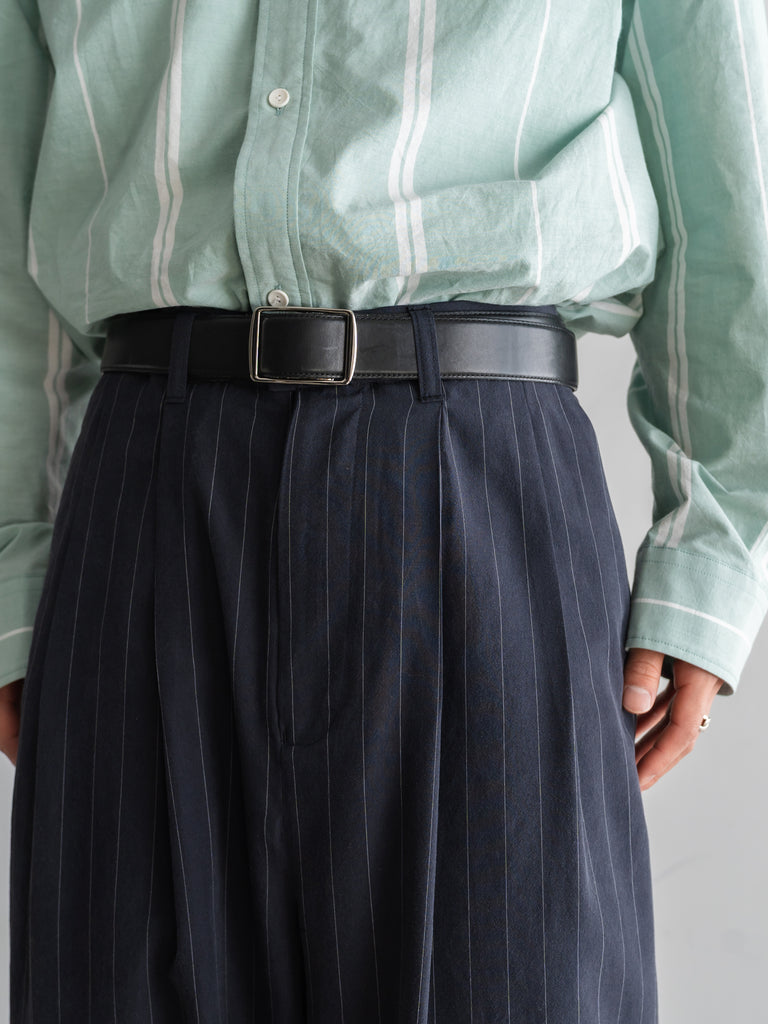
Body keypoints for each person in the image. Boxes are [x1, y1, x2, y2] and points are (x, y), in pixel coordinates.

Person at [1, 0, 766, 1020]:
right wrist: (13, 572)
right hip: (145, 496)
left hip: (483, 487)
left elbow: (733, 188)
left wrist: (714, 551)